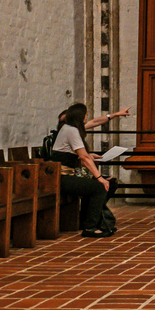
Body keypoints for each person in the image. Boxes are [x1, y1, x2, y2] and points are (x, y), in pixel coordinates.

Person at [51, 102, 118, 238]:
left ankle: (88, 220)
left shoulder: (71, 128)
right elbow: (84, 158)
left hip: (68, 174)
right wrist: (99, 178)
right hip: (61, 177)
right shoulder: (71, 130)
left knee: (107, 184)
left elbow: (76, 154)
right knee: (99, 187)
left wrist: (115, 114)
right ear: (81, 116)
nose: (87, 117)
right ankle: (90, 227)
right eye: (86, 114)